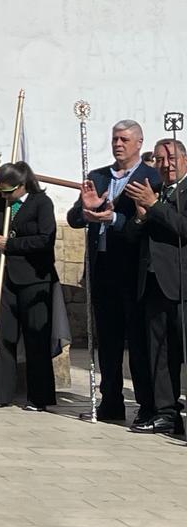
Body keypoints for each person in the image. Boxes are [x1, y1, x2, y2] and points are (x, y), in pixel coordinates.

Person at [66, 119, 159, 425]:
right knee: (108, 342)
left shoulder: (151, 179)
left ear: (138, 143)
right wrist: (86, 208)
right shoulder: (99, 177)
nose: (118, 144)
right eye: (115, 139)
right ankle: (111, 401)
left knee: (138, 342)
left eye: (124, 140)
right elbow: (76, 218)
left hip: (134, 271)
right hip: (103, 270)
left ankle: (147, 404)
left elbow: (144, 227)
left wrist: (113, 218)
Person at [123, 138, 187, 436]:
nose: (165, 165)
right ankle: (166, 413)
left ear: (184, 160)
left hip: (182, 285)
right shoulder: (156, 192)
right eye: (160, 160)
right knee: (160, 354)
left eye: (171, 159)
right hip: (153, 284)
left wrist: (155, 207)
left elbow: (183, 228)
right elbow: (131, 238)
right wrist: (139, 217)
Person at [0, 162, 60, 412]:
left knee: (35, 337)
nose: (5, 195)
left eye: (10, 191)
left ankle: (39, 396)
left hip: (33, 278)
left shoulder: (41, 203)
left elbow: (45, 239)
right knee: (2, 335)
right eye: (2, 190)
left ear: (23, 184)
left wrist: (11, 244)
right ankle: (1, 394)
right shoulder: (0, 200)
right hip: (4, 276)